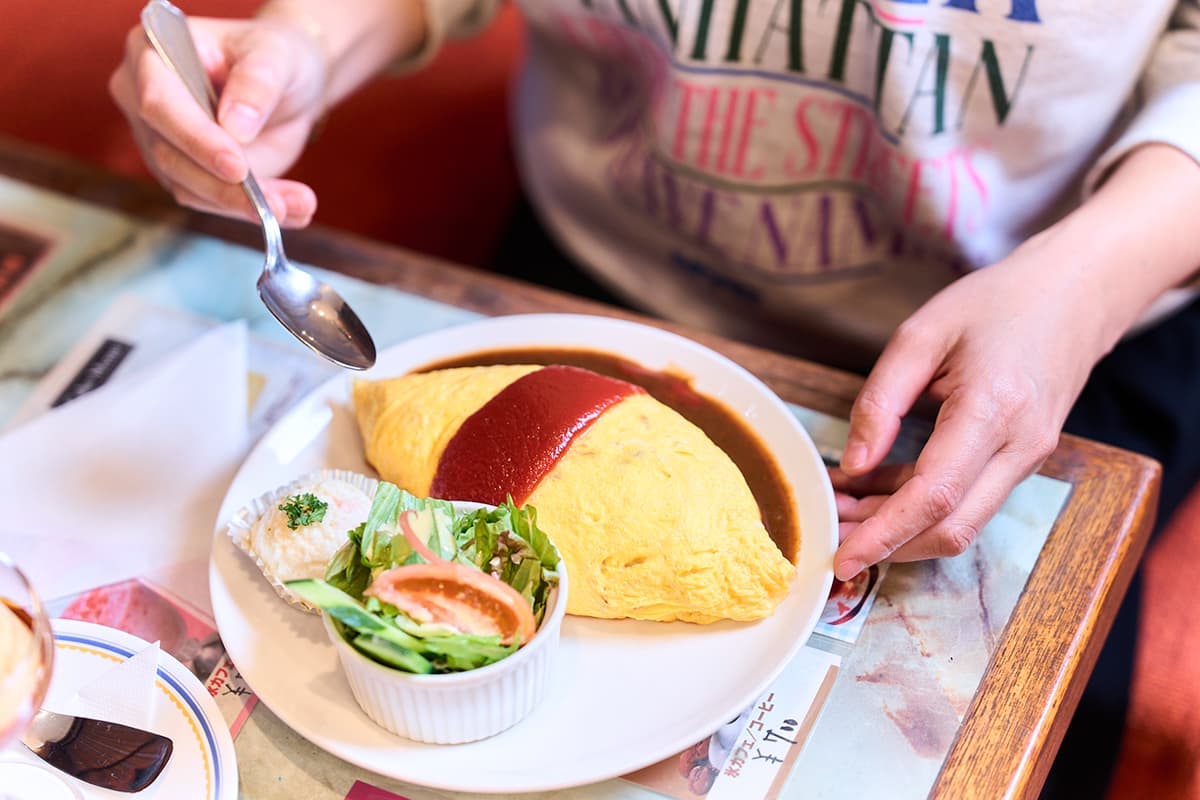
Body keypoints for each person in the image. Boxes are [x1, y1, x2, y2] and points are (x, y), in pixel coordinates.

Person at [110, 1, 1200, 794]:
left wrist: (1087, 281)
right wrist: (309, 42)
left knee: (1035, 728)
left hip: (1052, 295)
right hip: (599, 255)